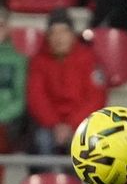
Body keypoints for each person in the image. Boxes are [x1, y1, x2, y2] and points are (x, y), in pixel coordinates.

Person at [27, 10, 106, 157]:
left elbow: (96, 98)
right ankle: (52, 180)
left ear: (72, 35)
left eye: (63, 32)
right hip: (49, 126)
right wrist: (55, 124)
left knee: (89, 142)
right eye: (53, 33)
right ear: (48, 37)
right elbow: (36, 98)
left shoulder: (90, 59)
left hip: (81, 123)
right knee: (42, 140)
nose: (58, 38)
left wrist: (71, 124)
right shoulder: (38, 61)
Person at [0, 5, 28, 154]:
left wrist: (2, 117)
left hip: (9, 121)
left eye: (0, 25)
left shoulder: (18, 59)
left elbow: (20, 100)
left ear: (8, 28)